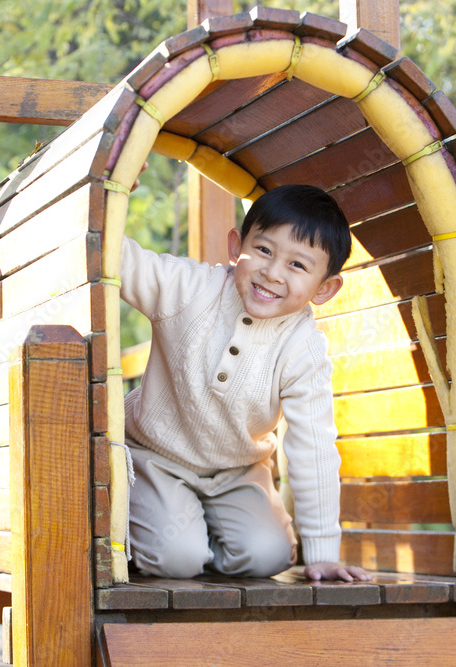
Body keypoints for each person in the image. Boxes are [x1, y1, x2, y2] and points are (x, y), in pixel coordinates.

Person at [120, 183, 370, 582]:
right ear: (237, 247)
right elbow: (121, 262)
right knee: (176, 558)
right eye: (265, 250)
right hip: (156, 456)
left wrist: (322, 552)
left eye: (298, 265)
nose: (272, 273)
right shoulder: (189, 289)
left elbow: (314, 446)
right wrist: (114, 195)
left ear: (324, 288)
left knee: (267, 557)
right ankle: (174, 537)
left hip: (238, 471)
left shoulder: (303, 349)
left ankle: (203, 537)